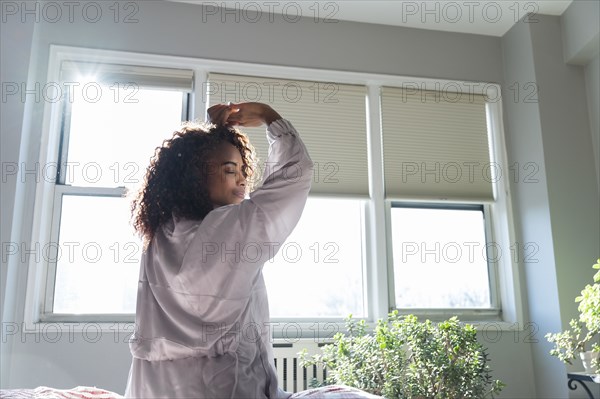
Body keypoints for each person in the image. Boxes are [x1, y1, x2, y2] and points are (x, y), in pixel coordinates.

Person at [124, 102, 314, 398]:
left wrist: (214, 133)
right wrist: (268, 116)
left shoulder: (160, 236)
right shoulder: (227, 230)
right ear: (195, 176)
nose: (242, 179)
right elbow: (294, 174)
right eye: (229, 170)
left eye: (242, 170)